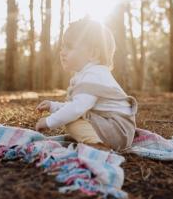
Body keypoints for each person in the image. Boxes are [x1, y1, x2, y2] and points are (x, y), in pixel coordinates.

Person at [35, 17, 137, 151]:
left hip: (116, 131)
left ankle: (97, 146)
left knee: (71, 119)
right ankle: (93, 141)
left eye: (69, 47)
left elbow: (76, 109)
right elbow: (77, 105)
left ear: (93, 54)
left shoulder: (93, 75)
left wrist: (48, 122)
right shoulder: (88, 74)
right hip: (115, 129)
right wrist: (53, 106)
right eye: (62, 47)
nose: (62, 52)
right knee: (71, 117)